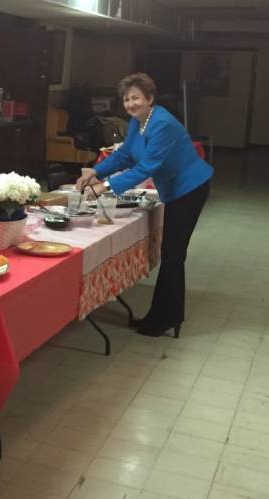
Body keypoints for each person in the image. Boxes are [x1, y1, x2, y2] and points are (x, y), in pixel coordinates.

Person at [76, 73, 213, 338]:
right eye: (126, 99)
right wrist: (96, 171)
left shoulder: (162, 123)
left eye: (136, 98)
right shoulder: (137, 122)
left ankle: (167, 318)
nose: (130, 104)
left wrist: (105, 187)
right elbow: (125, 155)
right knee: (171, 253)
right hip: (176, 189)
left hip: (190, 189)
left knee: (173, 255)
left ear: (149, 98)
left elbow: (147, 167)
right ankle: (160, 316)